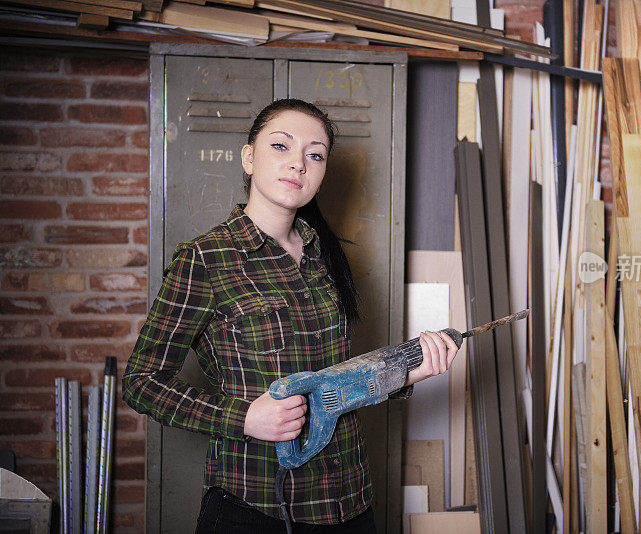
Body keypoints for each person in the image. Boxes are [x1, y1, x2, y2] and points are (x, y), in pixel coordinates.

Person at [122, 98, 460, 533]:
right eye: (281, 146)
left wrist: (407, 373)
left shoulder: (324, 256)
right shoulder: (205, 260)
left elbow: (331, 383)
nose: (298, 164)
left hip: (350, 501)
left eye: (314, 154)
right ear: (249, 158)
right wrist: (243, 418)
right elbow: (142, 383)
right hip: (257, 506)